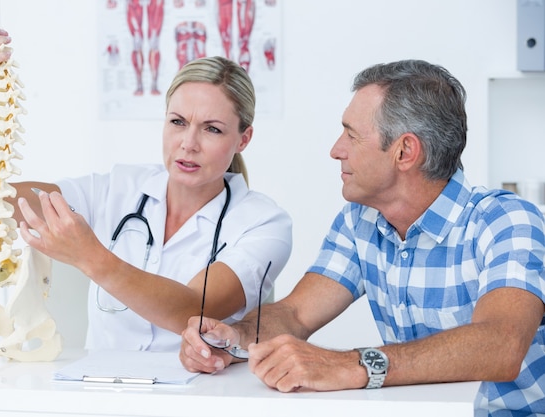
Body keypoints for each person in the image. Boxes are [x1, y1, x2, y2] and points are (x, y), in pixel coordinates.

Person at [179, 59, 545, 415]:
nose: (336, 150)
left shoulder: (506, 221)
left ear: (404, 152)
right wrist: (236, 338)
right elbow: (295, 313)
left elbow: (501, 344)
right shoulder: (361, 221)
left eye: (351, 135)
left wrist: (352, 365)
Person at [0, 18, 292, 352]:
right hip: (102, 395)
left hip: (200, 398)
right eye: (177, 122)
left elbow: (193, 311)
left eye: (212, 129)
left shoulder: (264, 224)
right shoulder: (118, 188)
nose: (188, 143)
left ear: (243, 139)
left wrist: (90, 256)